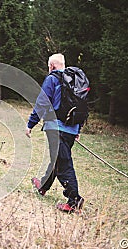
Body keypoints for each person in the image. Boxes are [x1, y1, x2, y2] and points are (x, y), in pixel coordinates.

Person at [26, 53, 84, 213]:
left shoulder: (52, 79)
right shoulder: (75, 81)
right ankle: (43, 186)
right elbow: (80, 105)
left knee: (63, 165)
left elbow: (42, 102)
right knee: (58, 159)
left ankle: (74, 201)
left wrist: (31, 124)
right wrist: (77, 129)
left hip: (56, 128)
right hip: (71, 129)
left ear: (51, 66)